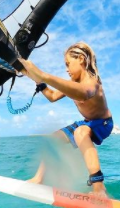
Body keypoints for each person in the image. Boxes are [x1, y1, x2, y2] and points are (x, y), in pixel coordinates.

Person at [18, 42, 113, 197]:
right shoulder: (73, 84)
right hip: (87, 122)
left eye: (68, 64)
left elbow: (84, 93)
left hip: (103, 123)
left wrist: (43, 75)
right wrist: (36, 79)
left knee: (80, 132)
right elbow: (53, 96)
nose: (66, 69)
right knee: (53, 138)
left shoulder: (92, 82)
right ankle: (38, 179)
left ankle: (99, 188)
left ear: (81, 59)